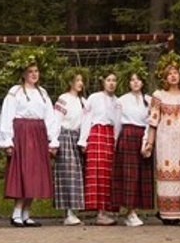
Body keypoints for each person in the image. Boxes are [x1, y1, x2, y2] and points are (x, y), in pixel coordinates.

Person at [0, 59, 59, 227]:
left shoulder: (43, 93)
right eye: (30, 71)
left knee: (35, 173)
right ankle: (16, 212)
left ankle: (26, 213)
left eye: (36, 71)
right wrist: (7, 141)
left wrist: (53, 139)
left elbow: (50, 118)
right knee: (23, 172)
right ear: (23, 74)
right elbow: (7, 116)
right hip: (22, 133)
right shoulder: (15, 92)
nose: (34, 74)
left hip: (38, 133)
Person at [143, 55, 180, 225]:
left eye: (175, 73)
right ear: (165, 77)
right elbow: (153, 120)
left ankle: (178, 213)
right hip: (165, 139)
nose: (173, 76)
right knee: (166, 174)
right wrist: (149, 143)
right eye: (169, 74)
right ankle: (165, 213)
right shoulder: (159, 95)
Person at [80, 70, 121, 225]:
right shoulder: (94, 98)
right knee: (98, 172)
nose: (111, 83)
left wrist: (116, 140)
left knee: (109, 173)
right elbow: (86, 118)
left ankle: (108, 210)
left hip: (110, 136)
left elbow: (118, 123)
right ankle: (99, 212)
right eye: (108, 80)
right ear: (103, 82)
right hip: (96, 134)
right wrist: (84, 140)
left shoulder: (118, 101)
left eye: (114, 80)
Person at [113, 70, 154, 227]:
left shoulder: (149, 100)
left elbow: (151, 121)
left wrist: (148, 142)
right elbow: (117, 123)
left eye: (138, 80)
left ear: (142, 82)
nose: (135, 82)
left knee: (141, 174)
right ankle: (130, 212)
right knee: (129, 174)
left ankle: (135, 209)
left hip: (143, 136)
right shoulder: (122, 100)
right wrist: (116, 142)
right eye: (132, 80)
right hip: (128, 135)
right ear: (128, 83)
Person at [53, 71, 87, 226]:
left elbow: (86, 122)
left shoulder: (84, 102)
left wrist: (83, 140)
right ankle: (68, 211)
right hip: (65, 137)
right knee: (68, 173)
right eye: (77, 80)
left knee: (78, 174)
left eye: (81, 80)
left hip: (78, 138)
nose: (80, 83)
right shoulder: (64, 99)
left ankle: (74, 209)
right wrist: (54, 141)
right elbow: (56, 120)